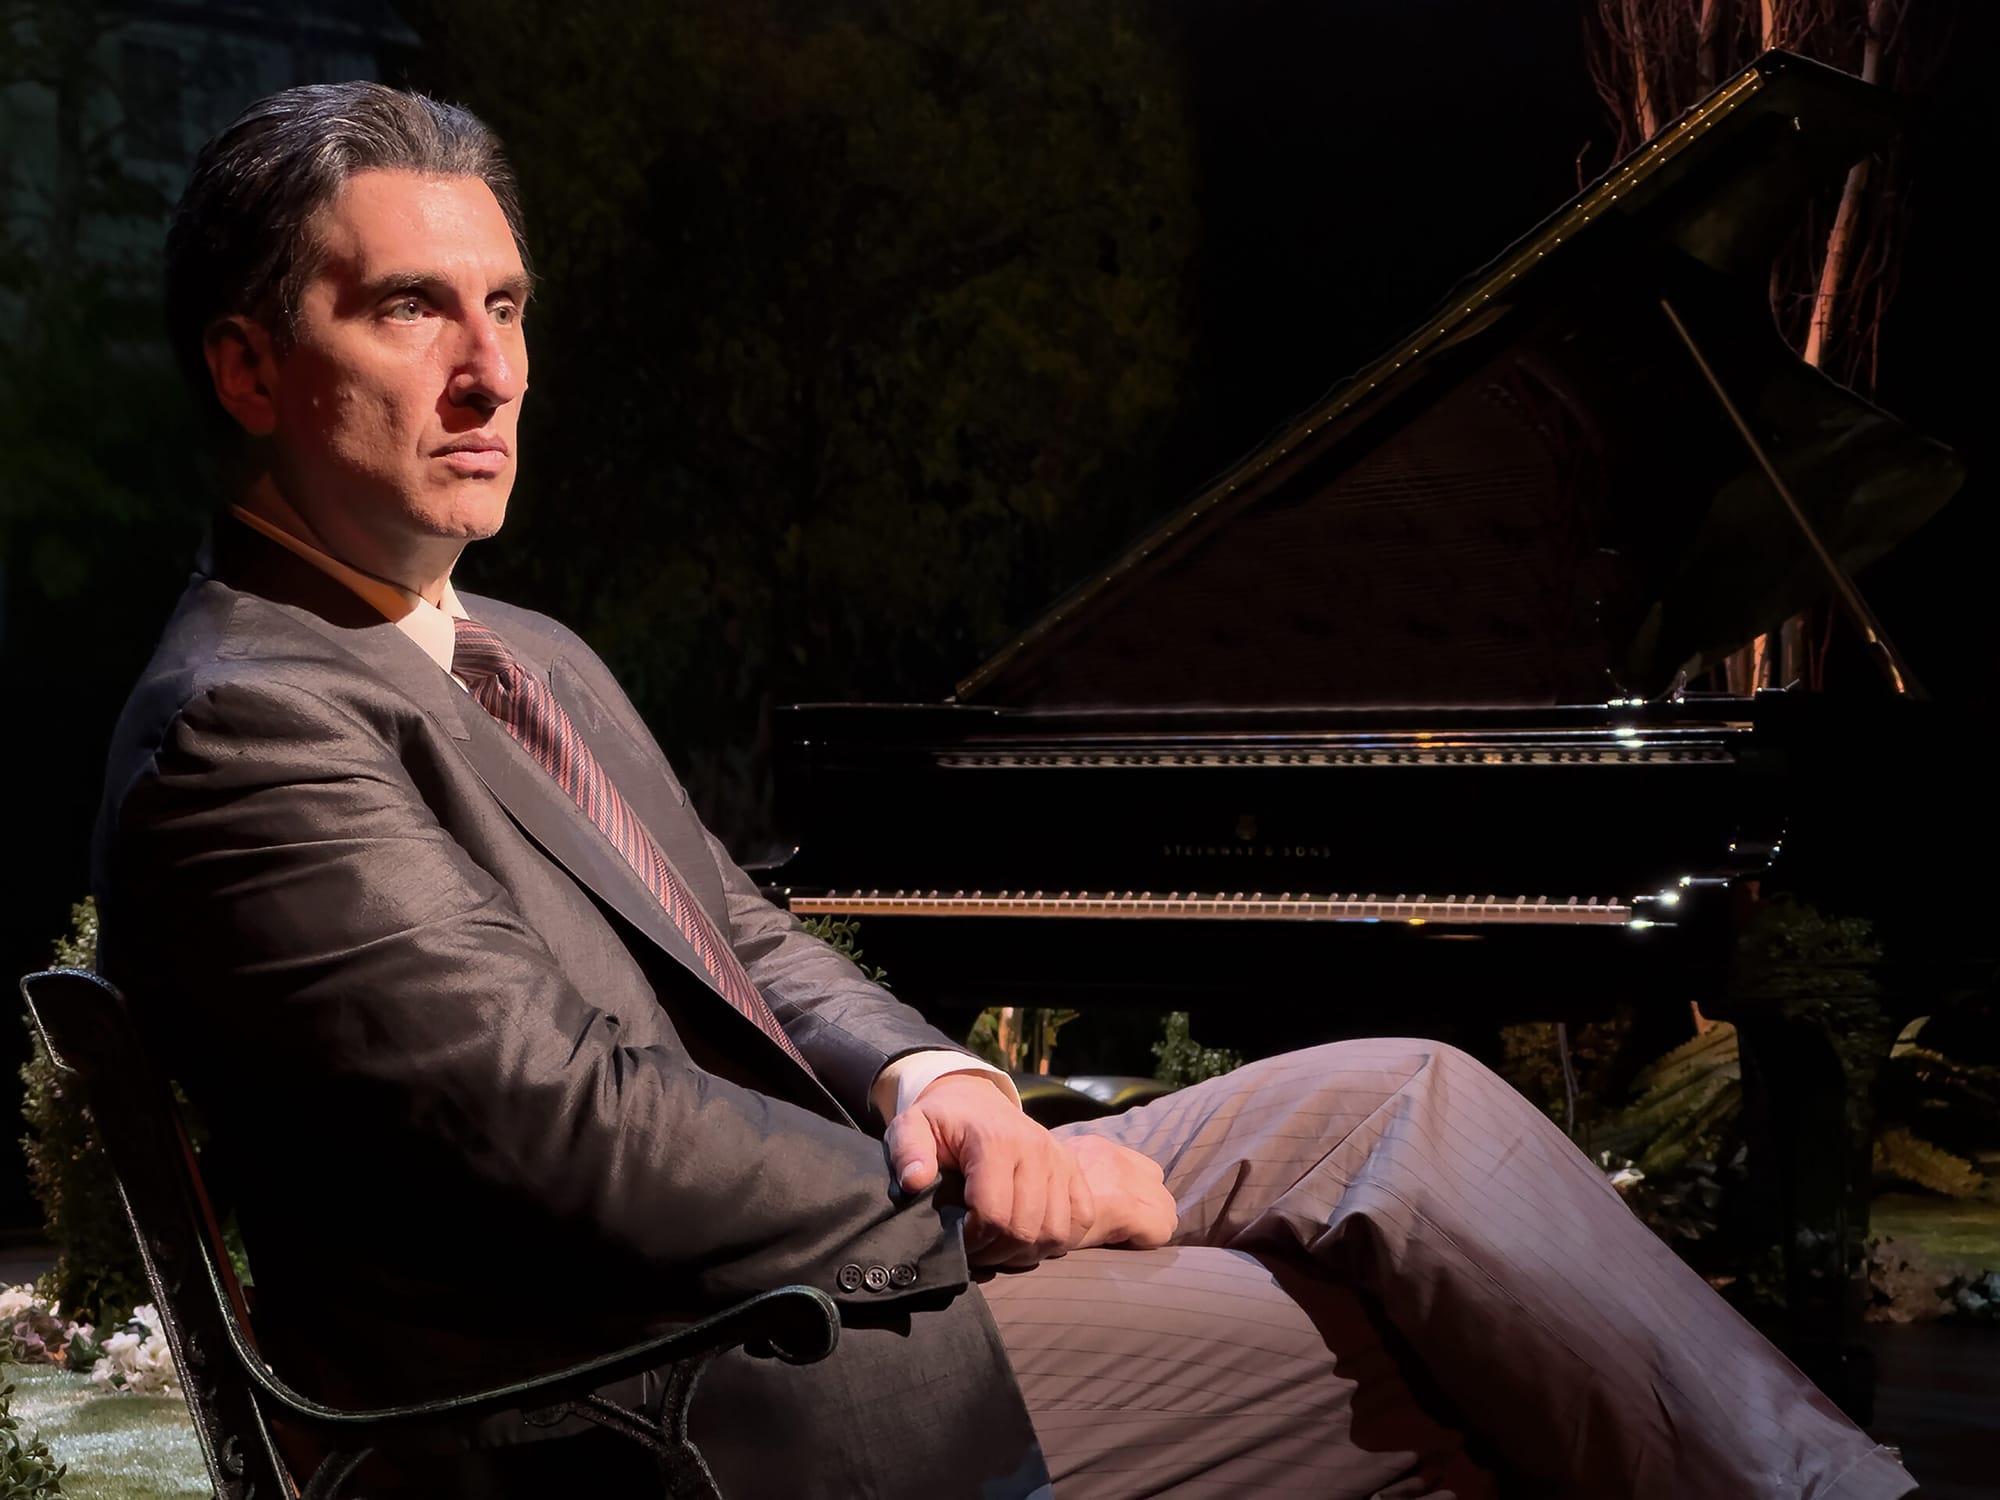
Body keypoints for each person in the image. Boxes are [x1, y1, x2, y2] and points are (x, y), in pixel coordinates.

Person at [93, 81, 1916, 1500]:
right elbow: (572, 1136)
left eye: (505, 305)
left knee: (1404, 1110)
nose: (491, 372)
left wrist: (939, 1079)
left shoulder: (522, 648)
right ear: (248, 365)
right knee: (1389, 1338)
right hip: (666, 1387)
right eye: (413, 310)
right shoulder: (256, 725)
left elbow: (737, 933)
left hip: (808, 1245)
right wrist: (981, 1212)